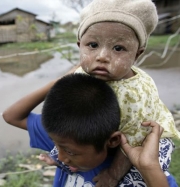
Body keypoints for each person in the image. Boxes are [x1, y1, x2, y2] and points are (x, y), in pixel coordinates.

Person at [47, 0, 180, 186]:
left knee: (136, 178)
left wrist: (112, 175)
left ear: (137, 54)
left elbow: (134, 139)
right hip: (108, 131)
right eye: (92, 45)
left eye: (118, 48)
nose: (102, 56)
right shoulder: (80, 75)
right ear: (79, 45)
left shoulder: (136, 94)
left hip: (140, 136)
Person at [3, 73, 178, 186]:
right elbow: (11, 116)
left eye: (70, 153)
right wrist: (60, 82)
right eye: (57, 146)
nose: (61, 156)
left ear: (113, 141)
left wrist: (149, 167)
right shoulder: (66, 135)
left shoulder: (143, 177)